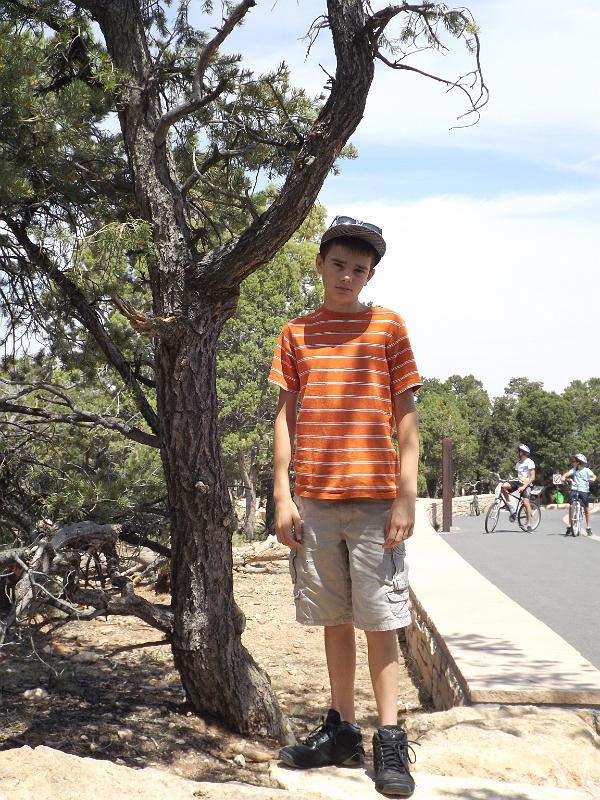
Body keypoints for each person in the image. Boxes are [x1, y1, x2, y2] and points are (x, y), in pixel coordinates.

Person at [269, 215, 421, 797]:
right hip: (315, 499)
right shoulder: (296, 333)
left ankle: (389, 738)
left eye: (359, 269)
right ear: (320, 264)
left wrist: (406, 496)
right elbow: (286, 415)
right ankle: (341, 729)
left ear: (371, 274)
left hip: (376, 501)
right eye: (339, 265)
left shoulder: (388, 328)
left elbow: (406, 417)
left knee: (380, 620)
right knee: (333, 616)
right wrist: (282, 494)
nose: (347, 277)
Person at [560, 454, 596, 536]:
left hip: (584, 490)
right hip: (574, 489)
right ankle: (570, 525)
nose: (573, 463)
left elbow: (594, 476)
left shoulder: (587, 470)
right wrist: (563, 477)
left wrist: (592, 479)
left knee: (586, 509)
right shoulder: (574, 470)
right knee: (570, 506)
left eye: (574, 461)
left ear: (579, 463)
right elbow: (567, 474)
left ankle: (588, 527)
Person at [501, 444, 536, 532]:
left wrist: (524, 486)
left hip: (527, 484)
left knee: (525, 502)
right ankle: (510, 507)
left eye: (519, 451)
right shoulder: (518, 464)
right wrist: (510, 480)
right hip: (518, 482)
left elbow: (532, 477)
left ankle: (529, 524)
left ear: (523, 452)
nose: (517, 453)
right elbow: (518, 476)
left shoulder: (530, 462)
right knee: (503, 486)